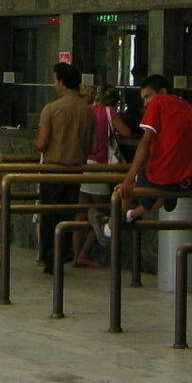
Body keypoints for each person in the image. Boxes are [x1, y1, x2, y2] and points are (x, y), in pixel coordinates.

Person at [114, 74, 192, 220]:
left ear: (162, 92)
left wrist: (128, 180)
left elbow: (145, 142)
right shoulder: (189, 108)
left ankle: (116, 224)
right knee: (160, 192)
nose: (145, 103)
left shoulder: (159, 103)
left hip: (163, 178)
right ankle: (133, 215)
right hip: (188, 182)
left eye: (147, 97)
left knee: (123, 190)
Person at [33, 61, 94, 274]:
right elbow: (93, 145)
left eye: (54, 80)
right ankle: (65, 253)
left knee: (50, 216)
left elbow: (41, 143)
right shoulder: (87, 111)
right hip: (76, 171)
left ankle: (51, 258)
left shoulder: (51, 109)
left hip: (52, 170)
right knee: (68, 215)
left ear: (60, 81)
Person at [74, 84, 118, 268]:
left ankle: (76, 253)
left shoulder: (86, 112)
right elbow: (126, 132)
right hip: (99, 166)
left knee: (81, 212)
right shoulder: (109, 113)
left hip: (85, 164)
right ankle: (83, 254)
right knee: (103, 213)